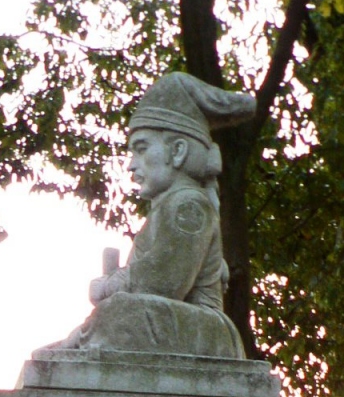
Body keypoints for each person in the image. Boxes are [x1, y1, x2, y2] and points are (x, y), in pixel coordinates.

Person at [45, 72, 256, 360]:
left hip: (203, 331)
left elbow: (165, 282)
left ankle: (84, 341)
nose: (132, 166)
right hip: (170, 322)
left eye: (141, 150)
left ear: (178, 151)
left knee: (121, 312)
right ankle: (83, 340)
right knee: (117, 311)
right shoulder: (170, 206)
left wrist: (110, 285)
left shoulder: (189, 206)